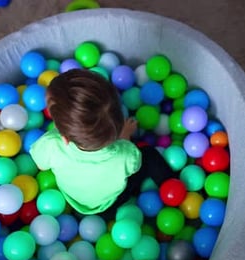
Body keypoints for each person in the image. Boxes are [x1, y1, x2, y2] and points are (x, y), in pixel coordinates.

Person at [30, 69, 174, 215]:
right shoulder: (126, 153)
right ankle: (173, 192)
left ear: (64, 138)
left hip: (75, 203)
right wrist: (125, 135)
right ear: (118, 124)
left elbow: (41, 166)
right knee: (148, 155)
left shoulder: (52, 144)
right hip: (111, 204)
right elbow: (134, 167)